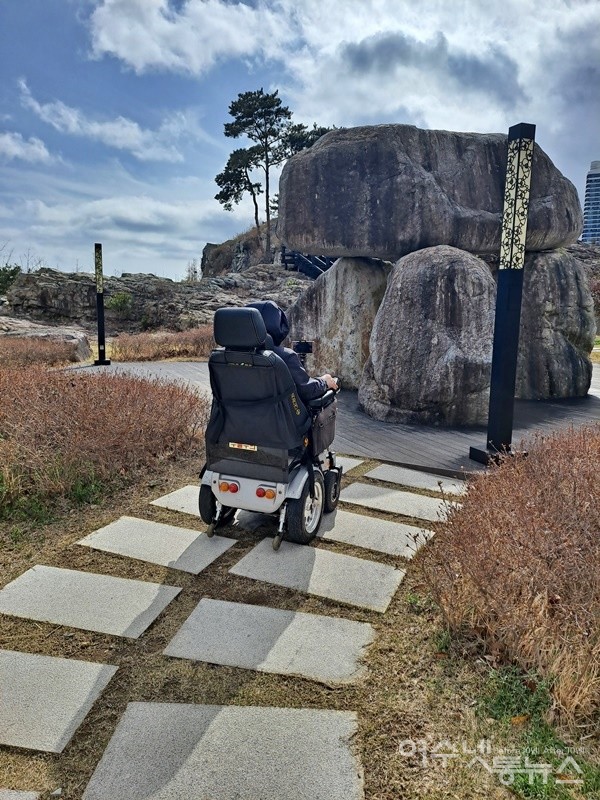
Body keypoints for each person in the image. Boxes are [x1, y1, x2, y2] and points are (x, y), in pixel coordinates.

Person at [246, 301, 338, 402]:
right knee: (331, 402)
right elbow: (307, 391)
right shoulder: (285, 357)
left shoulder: (231, 357)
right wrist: (324, 381)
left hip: (238, 412)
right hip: (278, 412)